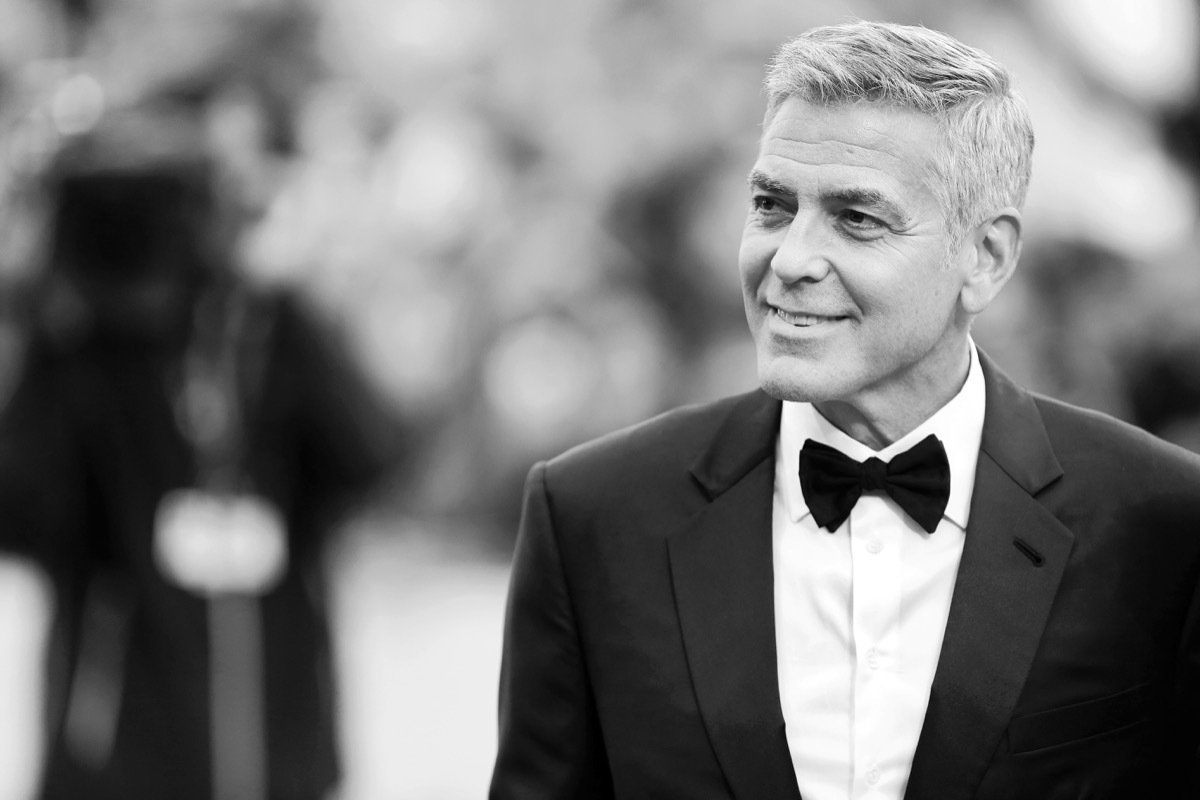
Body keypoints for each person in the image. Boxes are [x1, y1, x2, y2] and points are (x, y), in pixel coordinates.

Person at [489, 20, 1200, 800]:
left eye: (857, 218)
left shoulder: (1163, 520)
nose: (789, 259)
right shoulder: (593, 513)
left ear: (985, 259)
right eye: (770, 205)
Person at [0, 105, 397, 800]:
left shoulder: (269, 333)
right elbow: (21, 517)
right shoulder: (74, 349)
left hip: (274, 729)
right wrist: (38, 323)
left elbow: (373, 457)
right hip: (115, 746)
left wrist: (290, 299)